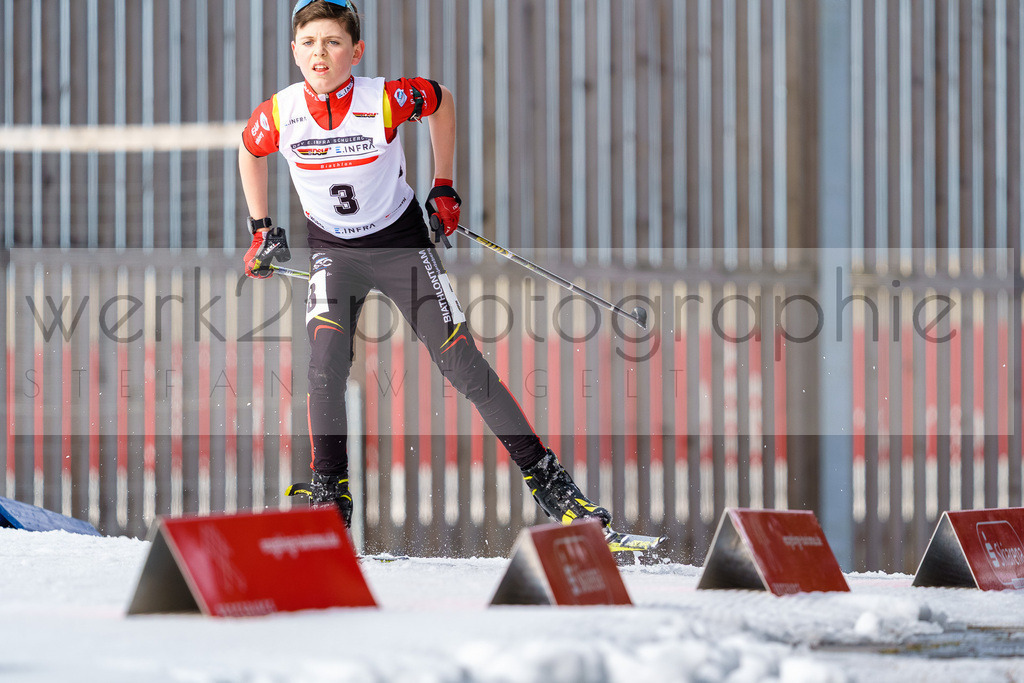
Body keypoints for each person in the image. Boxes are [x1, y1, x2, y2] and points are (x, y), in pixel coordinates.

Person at [238, 0, 610, 531]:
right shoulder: (280, 111)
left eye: (333, 42)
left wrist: (443, 183)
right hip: (333, 252)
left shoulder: (384, 98)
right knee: (323, 369)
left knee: (463, 366)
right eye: (309, 43)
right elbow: (249, 151)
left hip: (399, 245)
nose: (321, 53)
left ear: (356, 50)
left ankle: (554, 487)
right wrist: (260, 228)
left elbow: (441, 101)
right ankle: (329, 498)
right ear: (294, 51)